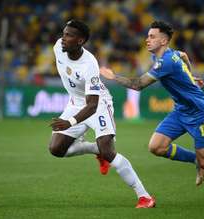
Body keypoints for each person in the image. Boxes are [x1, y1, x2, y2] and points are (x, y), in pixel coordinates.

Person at [100, 21, 204, 207]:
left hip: (200, 112)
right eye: (147, 35)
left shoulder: (165, 62)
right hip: (181, 110)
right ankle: (195, 159)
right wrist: (190, 77)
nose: (147, 39)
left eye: (152, 36)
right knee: (156, 147)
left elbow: (138, 85)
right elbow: (184, 56)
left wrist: (113, 77)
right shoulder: (169, 55)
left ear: (163, 41)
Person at [48, 20, 156, 208]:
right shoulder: (58, 47)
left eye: (69, 35)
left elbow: (92, 105)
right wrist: (71, 119)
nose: (63, 38)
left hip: (97, 104)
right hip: (76, 103)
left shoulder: (90, 65)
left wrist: (70, 122)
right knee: (56, 149)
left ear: (80, 41)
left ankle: (144, 197)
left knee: (109, 151)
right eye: (63, 33)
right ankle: (95, 149)